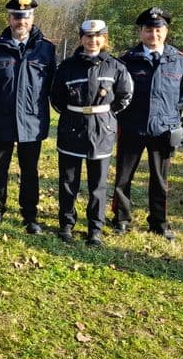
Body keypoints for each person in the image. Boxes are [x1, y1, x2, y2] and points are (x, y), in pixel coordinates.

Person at [0, 0, 56, 234]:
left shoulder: (46, 50)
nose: (22, 21)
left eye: (26, 16)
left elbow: (51, 83)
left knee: (29, 169)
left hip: (32, 119)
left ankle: (30, 215)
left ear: (33, 18)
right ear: (9, 19)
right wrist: (2, 101)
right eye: (17, 17)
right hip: (2, 118)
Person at [111, 7, 183, 241]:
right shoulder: (127, 60)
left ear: (165, 31)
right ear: (140, 32)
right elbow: (118, 92)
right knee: (123, 177)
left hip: (163, 129)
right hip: (132, 126)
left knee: (159, 179)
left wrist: (173, 119)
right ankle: (121, 219)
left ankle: (159, 221)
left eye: (158, 30)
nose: (153, 35)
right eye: (148, 30)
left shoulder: (178, 61)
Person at [50, 20, 133, 246]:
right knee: (68, 181)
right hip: (72, 128)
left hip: (102, 130)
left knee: (98, 184)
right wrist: (74, 114)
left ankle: (95, 228)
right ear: (81, 38)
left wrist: (104, 116)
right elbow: (56, 98)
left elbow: (125, 96)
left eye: (97, 36)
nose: (92, 40)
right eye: (87, 36)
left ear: (104, 38)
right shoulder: (67, 67)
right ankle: (66, 224)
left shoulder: (115, 66)